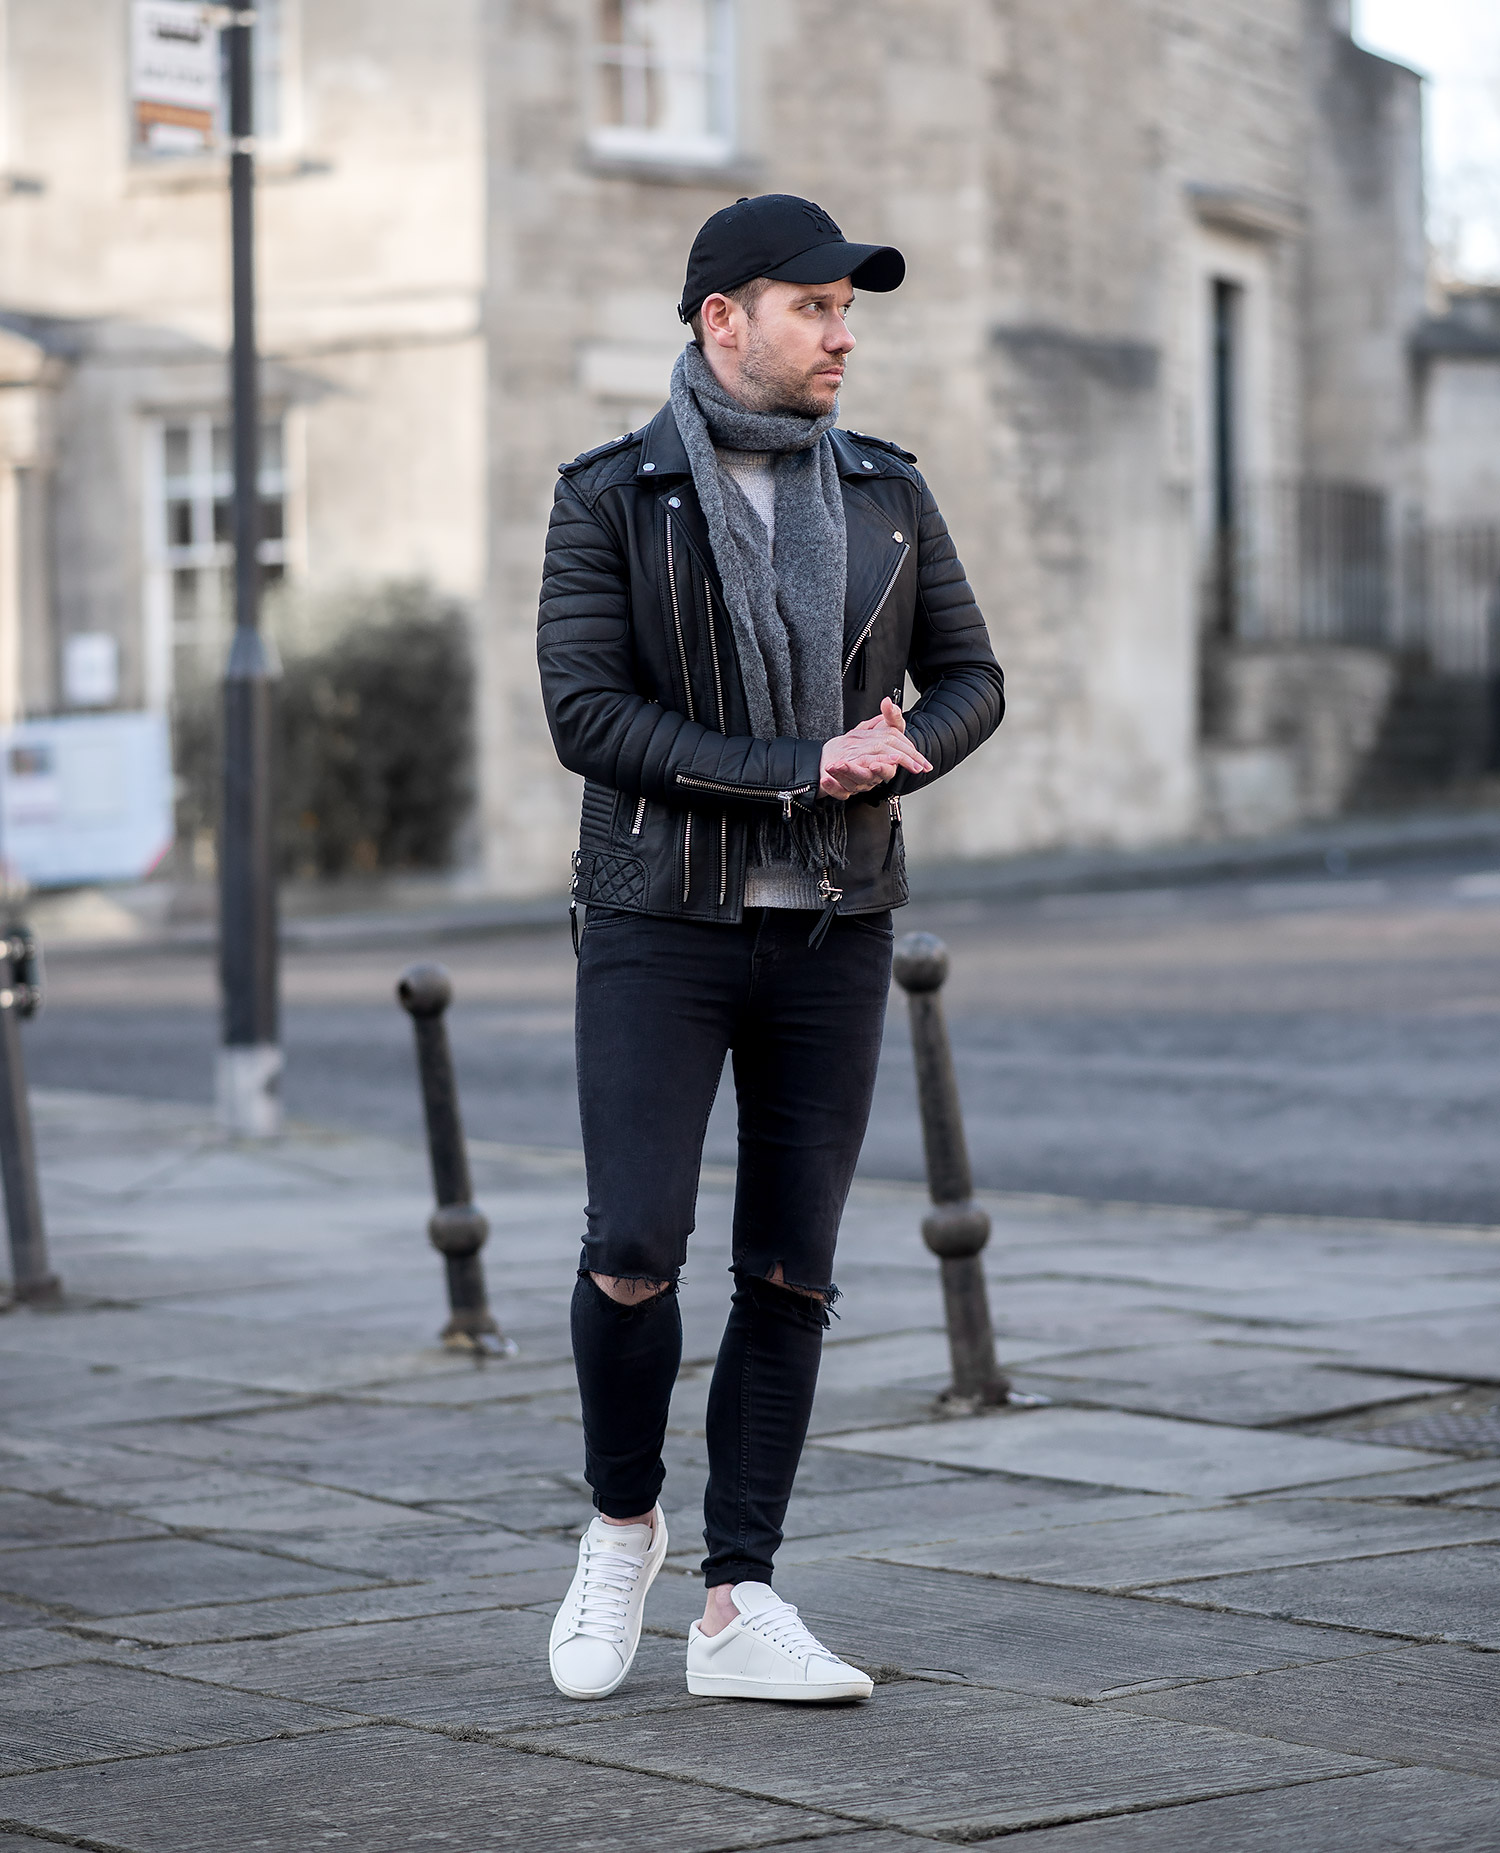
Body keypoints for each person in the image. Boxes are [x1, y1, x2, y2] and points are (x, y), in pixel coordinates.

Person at [536, 193, 1004, 1703]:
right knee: (632, 1249)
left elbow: (974, 676)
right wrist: (804, 764)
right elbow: (588, 718)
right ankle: (622, 1524)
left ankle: (740, 1601)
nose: (843, 334)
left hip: (836, 924)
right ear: (721, 319)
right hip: (656, 922)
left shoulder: (885, 491)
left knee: (793, 1267)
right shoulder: (612, 496)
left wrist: (900, 752)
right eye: (814, 306)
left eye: (849, 309)